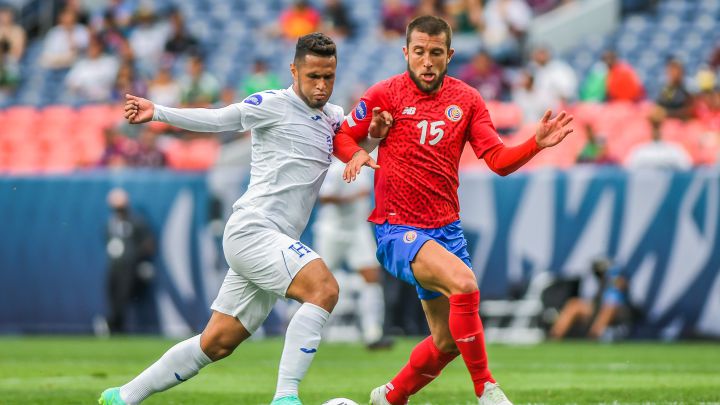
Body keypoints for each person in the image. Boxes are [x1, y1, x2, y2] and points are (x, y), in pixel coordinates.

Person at [333, 16, 574, 405]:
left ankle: (390, 397)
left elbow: (497, 159)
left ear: (450, 55)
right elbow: (343, 134)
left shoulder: (467, 100)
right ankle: (487, 390)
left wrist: (536, 143)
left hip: (446, 231)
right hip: (397, 229)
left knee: (446, 342)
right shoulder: (384, 94)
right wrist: (360, 151)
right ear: (405, 52)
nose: (427, 61)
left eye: (435, 53)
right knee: (464, 284)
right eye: (419, 52)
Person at [99, 33, 346, 405]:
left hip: (276, 242)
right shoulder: (273, 105)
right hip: (254, 232)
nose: (321, 85)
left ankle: (123, 396)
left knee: (216, 342)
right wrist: (159, 112)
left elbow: (360, 145)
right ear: (294, 70)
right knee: (323, 289)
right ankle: (285, 398)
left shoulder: (333, 117)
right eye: (313, 76)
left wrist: (374, 136)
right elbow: (219, 119)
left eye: (328, 76)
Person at [313, 157, 392, 350]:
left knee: (371, 277)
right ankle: (313, 332)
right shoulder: (336, 168)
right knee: (318, 281)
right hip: (332, 231)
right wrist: (353, 197)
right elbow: (323, 197)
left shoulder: (365, 167)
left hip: (358, 229)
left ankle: (373, 333)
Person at [104, 188, 156, 334]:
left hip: (130, 267)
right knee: (112, 296)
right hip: (114, 266)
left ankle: (116, 326)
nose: (118, 211)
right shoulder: (110, 224)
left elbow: (149, 244)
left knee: (123, 297)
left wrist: (135, 256)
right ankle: (113, 325)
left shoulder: (136, 222)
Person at [549, 259, 631, 341]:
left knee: (610, 307)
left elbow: (616, 297)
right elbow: (591, 301)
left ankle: (594, 337)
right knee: (573, 304)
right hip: (597, 308)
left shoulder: (616, 279)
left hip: (617, 311)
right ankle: (554, 337)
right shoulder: (593, 282)